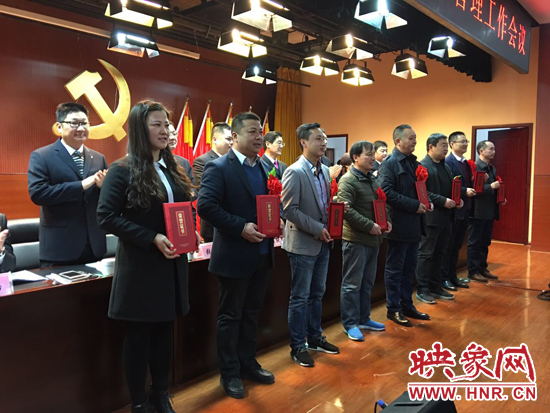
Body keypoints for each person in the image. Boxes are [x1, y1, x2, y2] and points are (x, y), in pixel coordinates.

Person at [97, 100, 198, 413]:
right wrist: (151, 237)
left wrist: (191, 231)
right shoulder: (122, 169)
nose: (165, 130)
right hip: (141, 267)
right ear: (141, 129)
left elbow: (183, 209)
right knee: (139, 338)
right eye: (157, 124)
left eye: (167, 125)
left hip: (172, 265)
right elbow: (106, 217)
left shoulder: (175, 167)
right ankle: (139, 403)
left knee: (165, 334)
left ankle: (160, 394)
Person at [197, 112, 282, 399]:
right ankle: (229, 372)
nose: (259, 137)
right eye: (252, 132)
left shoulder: (265, 167)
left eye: (261, 131)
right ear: (234, 136)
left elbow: (270, 203)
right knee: (231, 316)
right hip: (234, 255)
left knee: (251, 314)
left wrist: (278, 219)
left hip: (262, 254)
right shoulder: (220, 167)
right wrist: (240, 227)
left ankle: (248, 363)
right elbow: (206, 206)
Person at [282, 122, 345, 368]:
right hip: (303, 244)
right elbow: (290, 210)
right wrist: (317, 228)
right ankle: (298, 346)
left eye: (325, 138)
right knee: (300, 297)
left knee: (317, 294)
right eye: (318, 138)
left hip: (323, 243)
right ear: (304, 142)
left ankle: (315, 338)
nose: (324, 143)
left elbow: (321, 204)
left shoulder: (325, 169)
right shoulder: (295, 171)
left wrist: (337, 207)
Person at [28, 102, 108, 268]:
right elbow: (38, 194)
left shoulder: (98, 158)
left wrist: (102, 187)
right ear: (59, 126)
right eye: (74, 123)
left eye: (84, 123)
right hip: (60, 247)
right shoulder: (42, 156)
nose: (81, 128)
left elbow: (104, 200)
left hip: (94, 245)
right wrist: (81, 185)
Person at [337, 141, 391, 342]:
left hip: (373, 239)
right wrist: (369, 225)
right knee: (352, 284)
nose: (372, 158)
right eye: (368, 154)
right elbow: (346, 211)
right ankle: (350, 323)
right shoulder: (348, 180)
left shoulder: (371, 179)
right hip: (356, 240)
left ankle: (364, 318)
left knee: (367, 282)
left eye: (372, 154)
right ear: (355, 157)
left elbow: (380, 203)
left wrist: (387, 221)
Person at [378, 124, 432, 327]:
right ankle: (393, 309)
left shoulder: (414, 163)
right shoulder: (390, 164)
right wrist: (414, 205)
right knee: (395, 270)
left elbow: (419, 189)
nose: (414, 141)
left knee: (409, 269)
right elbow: (386, 192)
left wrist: (426, 202)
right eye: (411, 138)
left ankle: (407, 305)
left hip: (415, 225)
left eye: (415, 138)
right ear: (398, 141)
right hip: (399, 225)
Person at [415, 134, 463, 305]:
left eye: (446, 146)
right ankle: (423, 289)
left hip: (447, 218)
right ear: (431, 147)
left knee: (440, 253)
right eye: (443, 145)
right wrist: (443, 201)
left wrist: (457, 200)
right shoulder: (422, 166)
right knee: (426, 254)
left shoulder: (446, 167)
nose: (446, 149)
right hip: (430, 218)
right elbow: (422, 192)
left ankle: (436, 286)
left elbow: (451, 189)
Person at [441, 132, 476, 290]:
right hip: (454, 209)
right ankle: (444, 278)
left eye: (466, 141)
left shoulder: (466, 163)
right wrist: (464, 191)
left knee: (457, 246)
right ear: (452, 144)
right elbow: (449, 186)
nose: (465, 144)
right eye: (462, 141)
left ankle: (453, 276)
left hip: (465, 208)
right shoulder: (448, 162)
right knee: (448, 246)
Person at [467, 140, 503, 282]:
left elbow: (494, 188)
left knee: (485, 242)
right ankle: (473, 271)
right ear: (481, 151)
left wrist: (500, 197)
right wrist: (490, 187)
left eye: (494, 149)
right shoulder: (474, 167)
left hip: (489, 210)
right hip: (477, 211)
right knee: (474, 242)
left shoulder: (492, 168)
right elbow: (474, 190)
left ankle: (483, 268)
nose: (494, 152)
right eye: (491, 149)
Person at [193, 122, 232, 242]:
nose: (231, 143)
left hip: (234, 225)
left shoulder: (234, 161)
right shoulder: (202, 161)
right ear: (215, 139)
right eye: (228, 139)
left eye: (233, 139)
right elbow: (203, 190)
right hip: (213, 226)